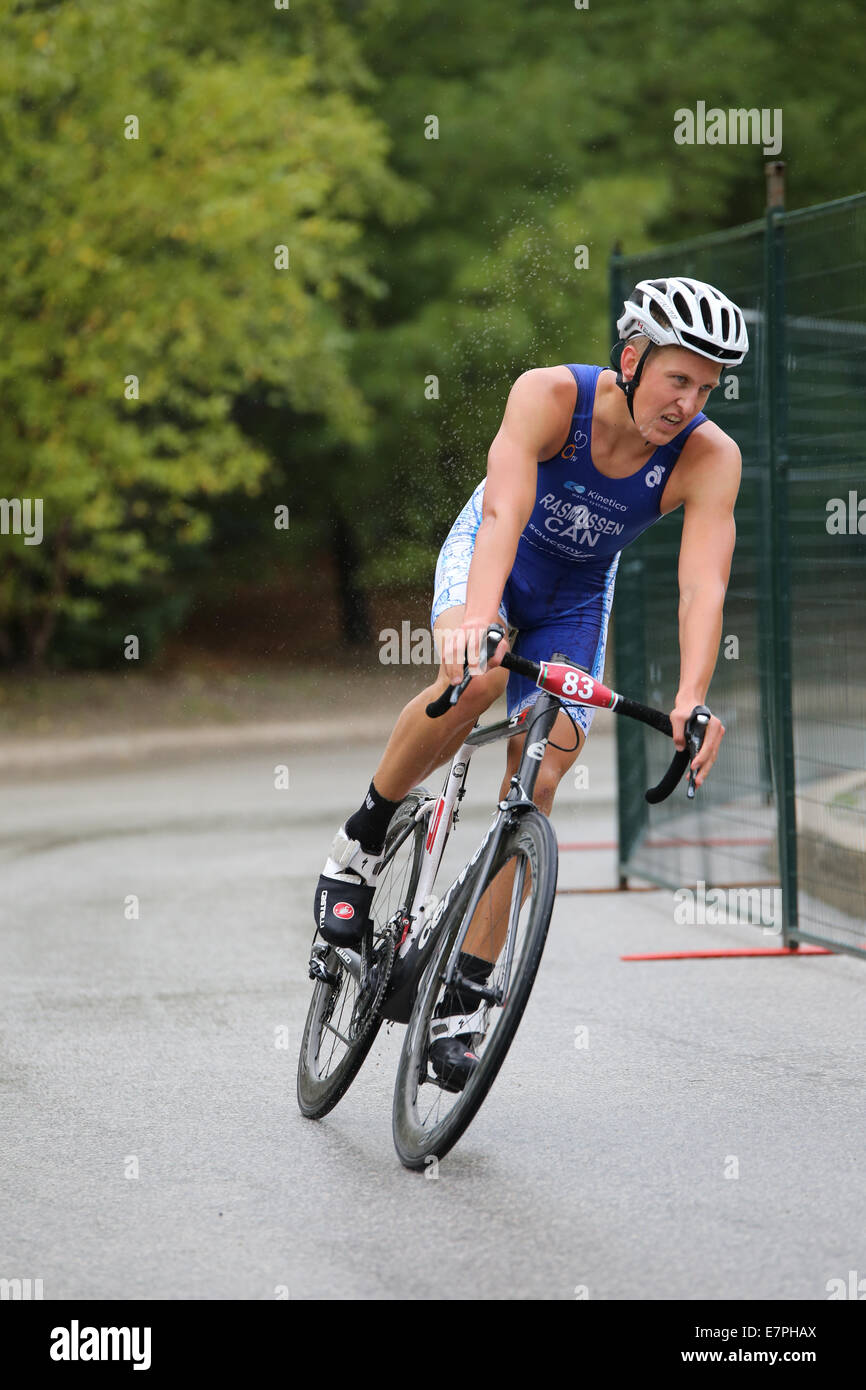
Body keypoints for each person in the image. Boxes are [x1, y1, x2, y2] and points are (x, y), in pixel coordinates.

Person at [313, 275, 749, 1089]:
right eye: (677, 378)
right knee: (474, 684)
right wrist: (475, 619)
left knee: (540, 771)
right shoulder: (551, 397)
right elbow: (506, 513)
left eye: (706, 387)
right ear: (632, 358)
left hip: (579, 596)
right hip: (497, 555)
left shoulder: (708, 458)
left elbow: (703, 585)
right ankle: (361, 841)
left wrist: (692, 697)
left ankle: (463, 998)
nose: (689, 402)